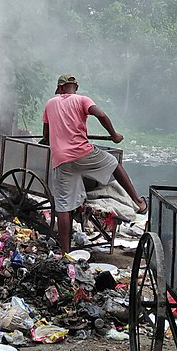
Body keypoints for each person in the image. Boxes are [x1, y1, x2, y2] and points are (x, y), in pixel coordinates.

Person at [42, 74, 148, 254]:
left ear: (60, 88)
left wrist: (56, 137)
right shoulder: (82, 100)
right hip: (84, 153)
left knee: (62, 207)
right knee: (114, 163)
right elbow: (101, 114)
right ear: (74, 87)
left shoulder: (50, 104)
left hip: (61, 160)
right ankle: (138, 202)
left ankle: (66, 253)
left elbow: (46, 136)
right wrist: (114, 136)